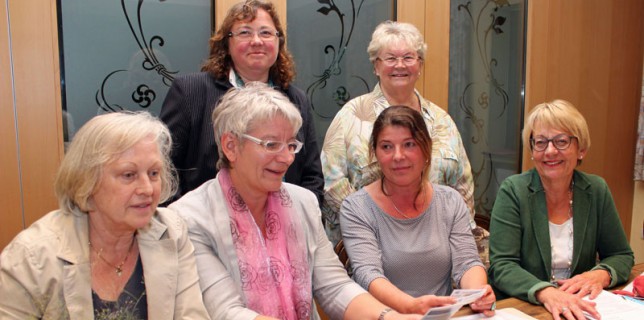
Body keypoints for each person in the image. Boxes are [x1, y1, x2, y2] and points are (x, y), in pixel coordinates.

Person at [169, 83, 421, 320]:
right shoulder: (190, 218)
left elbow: (335, 286)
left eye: (291, 144)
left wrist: (389, 316)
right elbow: (227, 312)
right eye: (271, 145)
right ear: (231, 146)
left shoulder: (303, 203)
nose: (287, 158)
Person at [0, 112, 210, 319]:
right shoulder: (32, 257)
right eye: (129, 175)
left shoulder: (172, 232)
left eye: (154, 173)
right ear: (87, 181)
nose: (147, 189)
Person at [320, 21, 484, 255]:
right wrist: (373, 230)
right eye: (390, 58)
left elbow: (463, 187)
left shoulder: (442, 120)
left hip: (436, 250)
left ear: (420, 65)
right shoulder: (351, 116)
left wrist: (459, 244)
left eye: (408, 57)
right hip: (368, 249)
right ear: (376, 66)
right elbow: (331, 184)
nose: (400, 65)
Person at [160, 0, 323, 204]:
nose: (256, 41)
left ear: (279, 42)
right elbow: (163, 169)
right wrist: (182, 225)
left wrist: (299, 218)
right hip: (205, 226)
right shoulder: (190, 92)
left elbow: (312, 176)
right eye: (245, 33)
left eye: (265, 33)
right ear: (226, 43)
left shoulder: (297, 100)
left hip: (281, 225)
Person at [340, 106, 495, 316]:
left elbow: (467, 262)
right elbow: (368, 274)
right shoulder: (356, 208)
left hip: (442, 315)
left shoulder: (450, 201)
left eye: (409, 144)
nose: (398, 156)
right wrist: (411, 307)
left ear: (426, 149)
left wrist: (478, 293)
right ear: (375, 153)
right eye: (386, 146)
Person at [488, 99, 634, 320]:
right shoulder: (513, 191)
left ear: (581, 149)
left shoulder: (596, 190)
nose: (550, 151)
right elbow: (502, 266)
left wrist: (601, 275)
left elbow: (620, 255)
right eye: (540, 142)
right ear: (532, 150)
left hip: (581, 307)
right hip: (524, 308)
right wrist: (546, 292)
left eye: (561, 141)